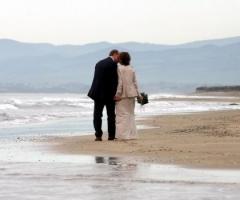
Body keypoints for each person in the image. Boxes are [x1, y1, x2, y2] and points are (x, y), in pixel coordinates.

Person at [88, 50, 119, 141]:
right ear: (114, 54)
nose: (119, 59)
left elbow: (97, 79)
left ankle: (98, 135)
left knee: (97, 115)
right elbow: (114, 81)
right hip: (109, 94)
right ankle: (111, 135)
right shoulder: (113, 64)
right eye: (118, 57)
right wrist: (115, 94)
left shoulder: (99, 63)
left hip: (97, 93)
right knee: (111, 115)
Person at [114, 52, 142, 140]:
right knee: (130, 114)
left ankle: (123, 135)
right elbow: (135, 83)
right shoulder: (131, 69)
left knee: (122, 115)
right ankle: (132, 135)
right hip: (132, 94)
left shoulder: (119, 68)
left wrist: (117, 94)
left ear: (121, 59)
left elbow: (120, 83)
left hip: (123, 95)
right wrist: (139, 94)